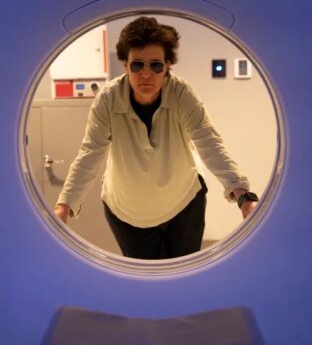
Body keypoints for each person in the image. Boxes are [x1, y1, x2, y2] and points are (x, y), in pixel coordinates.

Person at [53, 16, 258, 259]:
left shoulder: (182, 94)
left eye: (156, 66)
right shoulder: (108, 99)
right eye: (138, 65)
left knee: (183, 275)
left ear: (167, 66)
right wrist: (64, 205)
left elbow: (209, 143)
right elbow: (90, 154)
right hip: (127, 211)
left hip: (183, 204)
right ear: (125, 65)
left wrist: (242, 194)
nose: (146, 74)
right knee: (145, 281)